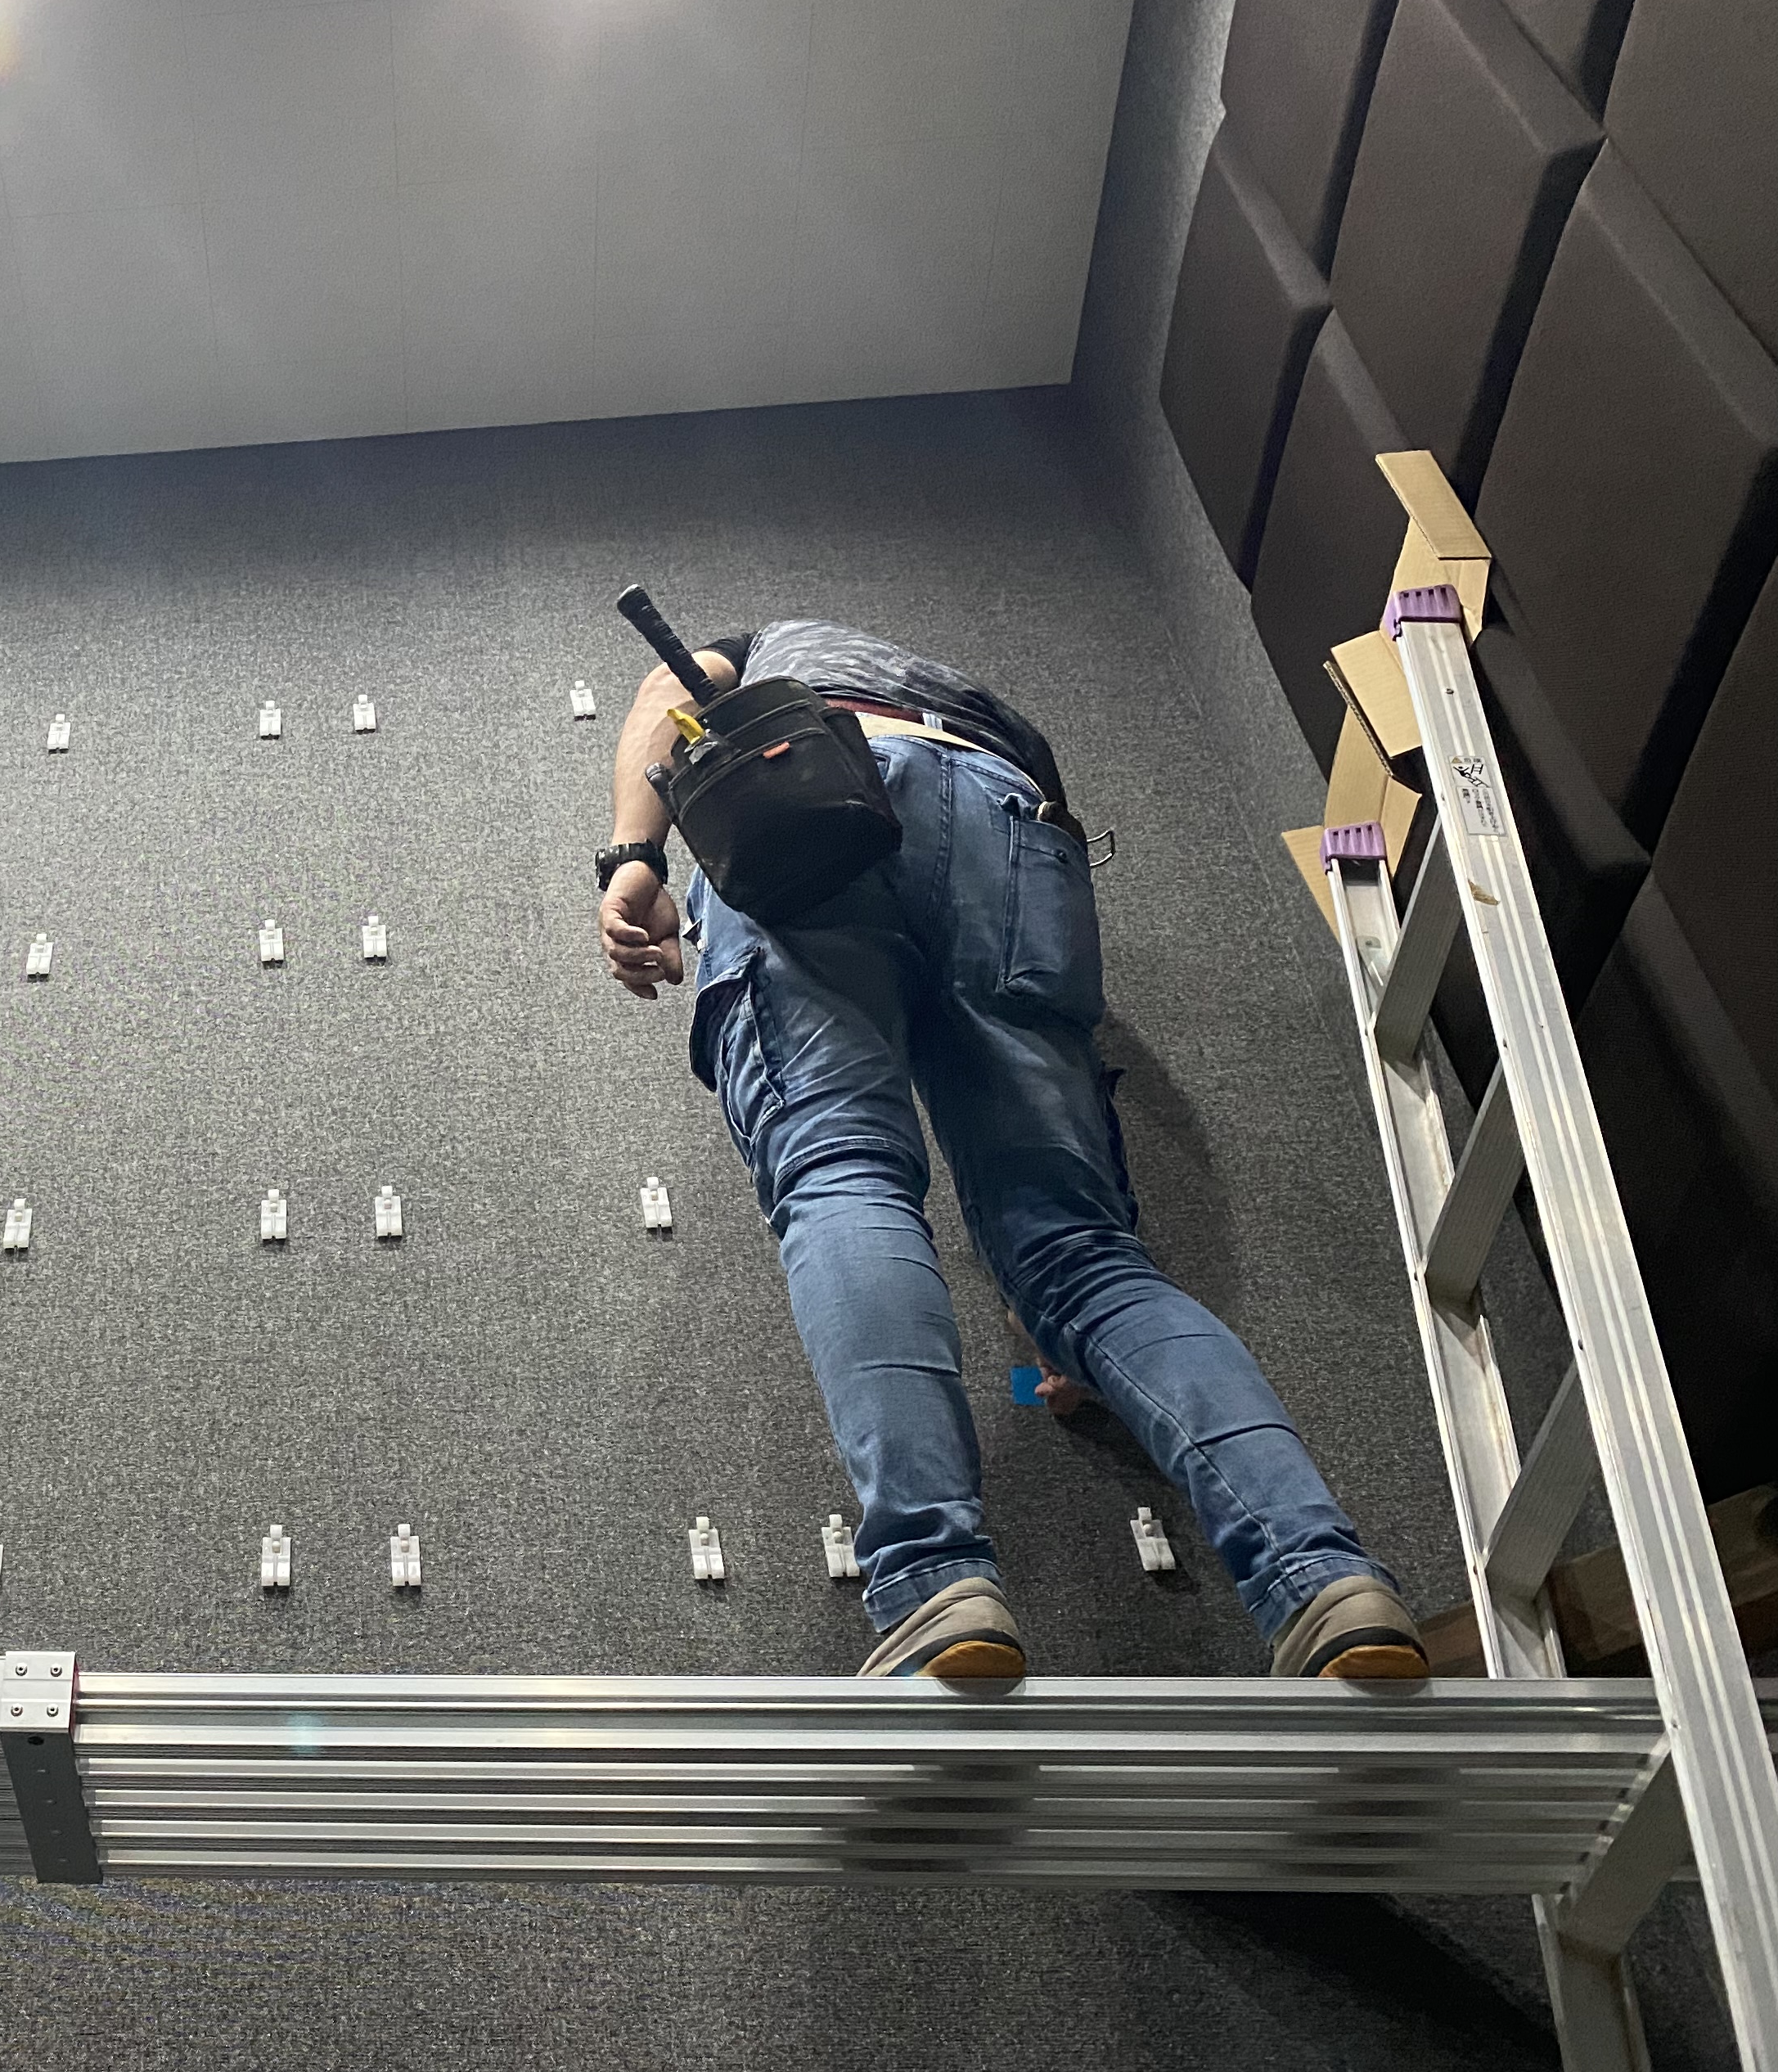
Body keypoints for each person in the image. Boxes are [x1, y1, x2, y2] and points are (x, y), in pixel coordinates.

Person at [592, 619, 1426, 1683]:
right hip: (1010, 820)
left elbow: (666, 693)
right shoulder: (975, 707)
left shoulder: (768, 647)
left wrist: (634, 858)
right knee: (1080, 1254)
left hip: (798, 798)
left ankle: (935, 1584)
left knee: (842, 1174)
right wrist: (1053, 1332)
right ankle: (1324, 1580)